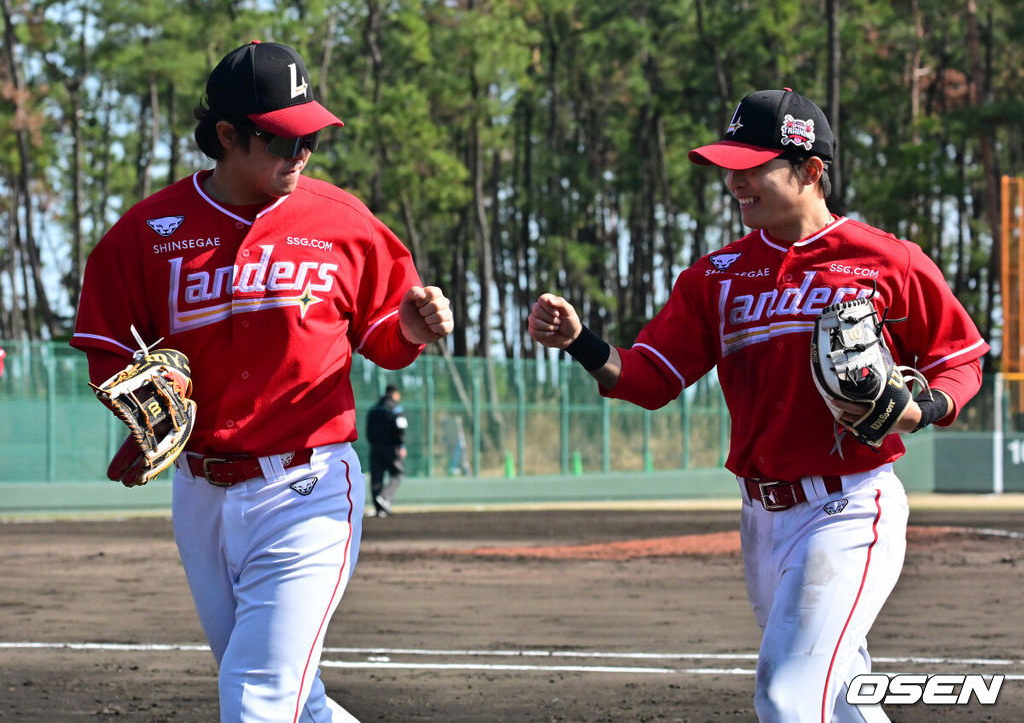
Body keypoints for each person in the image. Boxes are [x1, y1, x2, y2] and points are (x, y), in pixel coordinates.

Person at [528, 88, 988, 722]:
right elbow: (648, 378)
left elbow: (959, 359)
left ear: (811, 171)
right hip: (761, 520)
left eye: (752, 167)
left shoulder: (883, 260)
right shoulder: (714, 277)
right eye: (729, 167)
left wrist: (924, 407)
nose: (734, 181)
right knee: (843, 697)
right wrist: (580, 342)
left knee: (788, 695)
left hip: (848, 510)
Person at [70, 40, 453, 722]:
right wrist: (129, 402)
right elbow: (102, 341)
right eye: (282, 139)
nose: (300, 154)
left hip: (306, 490)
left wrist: (415, 331)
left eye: (310, 137)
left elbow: (384, 343)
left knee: (255, 696)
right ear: (227, 136)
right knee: (292, 699)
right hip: (200, 498)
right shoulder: (151, 231)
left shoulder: (343, 221)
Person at [365, 384, 407, 516]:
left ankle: (379, 509)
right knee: (398, 473)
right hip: (391, 448)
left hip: (375, 448)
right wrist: (401, 445)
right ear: (394, 394)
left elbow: (368, 430)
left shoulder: (374, 409)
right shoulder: (396, 409)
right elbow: (401, 429)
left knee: (377, 478)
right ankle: (385, 498)